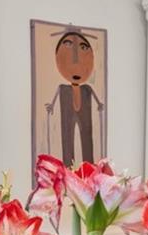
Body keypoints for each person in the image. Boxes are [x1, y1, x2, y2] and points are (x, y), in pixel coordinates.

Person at [44, 28, 106, 166]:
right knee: (67, 137)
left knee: (87, 136)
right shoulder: (63, 89)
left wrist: (100, 105)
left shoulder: (87, 89)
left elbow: (97, 100)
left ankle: (89, 166)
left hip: (84, 111)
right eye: (67, 45)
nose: (76, 62)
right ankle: (68, 168)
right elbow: (54, 100)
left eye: (84, 48)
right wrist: (51, 107)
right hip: (68, 111)